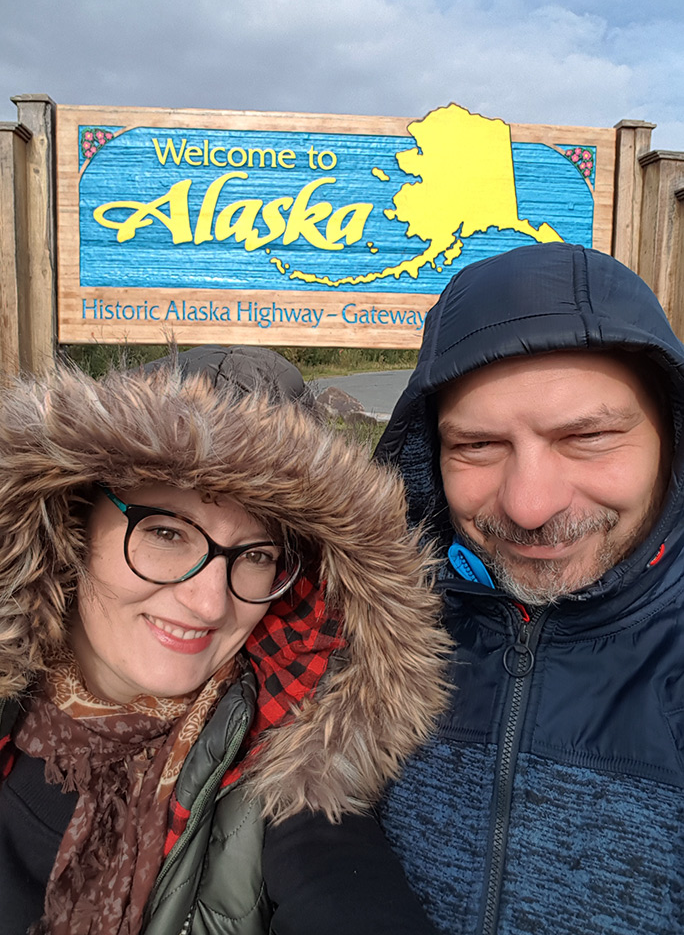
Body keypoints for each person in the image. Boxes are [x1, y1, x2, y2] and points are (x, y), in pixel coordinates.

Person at [0, 355, 449, 935]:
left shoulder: (286, 762)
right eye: (166, 533)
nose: (210, 603)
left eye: (258, 556)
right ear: (74, 521)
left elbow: (338, 885)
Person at [371, 241, 684, 935]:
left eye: (589, 436)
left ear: (671, 435)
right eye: (477, 446)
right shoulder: (373, 622)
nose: (529, 505)